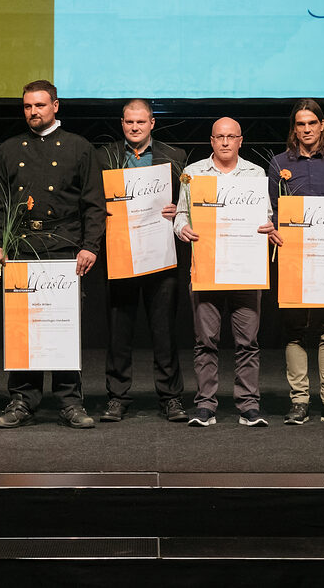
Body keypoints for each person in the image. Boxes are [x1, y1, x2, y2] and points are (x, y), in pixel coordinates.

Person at [0, 80, 105, 429]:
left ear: (56, 105)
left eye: (39, 105)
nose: (33, 112)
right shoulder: (8, 150)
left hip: (65, 248)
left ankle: (70, 401)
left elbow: (94, 205)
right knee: (24, 328)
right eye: (27, 106)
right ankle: (22, 400)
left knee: (63, 327)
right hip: (21, 249)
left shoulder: (79, 148)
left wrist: (90, 246)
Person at [173, 117, 280, 427]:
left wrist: (267, 225)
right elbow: (181, 214)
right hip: (207, 267)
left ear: (240, 141)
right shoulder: (193, 174)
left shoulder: (255, 173)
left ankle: (248, 405)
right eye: (219, 137)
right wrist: (183, 230)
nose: (224, 142)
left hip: (245, 269)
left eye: (231, 137)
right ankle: (205, 405)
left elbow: (267, 216)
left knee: (248, 341)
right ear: (211, 140)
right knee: (205, 340)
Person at [97, 98, 189, 423]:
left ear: (152, 123)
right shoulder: (103, 157)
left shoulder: (175, 158)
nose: (134, 127)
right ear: (122, 124)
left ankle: (171, 397)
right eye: (128, 122)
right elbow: (92, 200)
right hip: (120, 253)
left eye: (141, 122)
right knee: (118, 331)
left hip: (160, 253)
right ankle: (117, 396)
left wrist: (178, 209)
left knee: (164, 330)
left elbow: (188, 205)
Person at [269, 98, 324, 426]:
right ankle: (299, 401)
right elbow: (273, 211)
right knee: (295, 331)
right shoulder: (279, 163)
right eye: (300, 124)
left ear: (321, 125)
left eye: (312, 123)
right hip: (295, 258)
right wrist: (274, 230)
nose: (306, 129)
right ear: (294, 129)